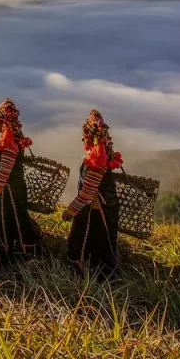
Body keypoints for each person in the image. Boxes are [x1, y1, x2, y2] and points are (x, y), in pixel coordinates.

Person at [63, 108, 123, 278]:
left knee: (93, 241)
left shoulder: (97, 158)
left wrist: (70, 211)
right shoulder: (101, 152)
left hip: (96, 211)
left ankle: (94, 274)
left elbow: (87, 192)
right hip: (99, 208)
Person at [0, 98, 44, 264]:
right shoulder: (14, 137)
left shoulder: (8, 141)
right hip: (14, 190)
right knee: (18, 219)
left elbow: (5, 169)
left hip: (7, 192)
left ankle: (4, 256)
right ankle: (22, 253)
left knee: (4, 221)